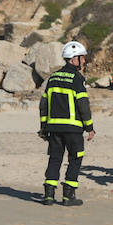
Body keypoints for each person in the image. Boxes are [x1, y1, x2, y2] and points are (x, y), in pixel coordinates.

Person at [39, 40, 96, 205]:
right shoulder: (77, 78)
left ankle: (48, 195)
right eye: (81, 58)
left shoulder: (53, 77)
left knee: (55, 159)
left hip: (54, 128)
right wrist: (90, 127)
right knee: (75, 159)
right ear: (73, 59)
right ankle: (68, 196)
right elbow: (83, 105)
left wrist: (43, 127)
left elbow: (44, 104)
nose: (84, 61)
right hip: (73, 129)